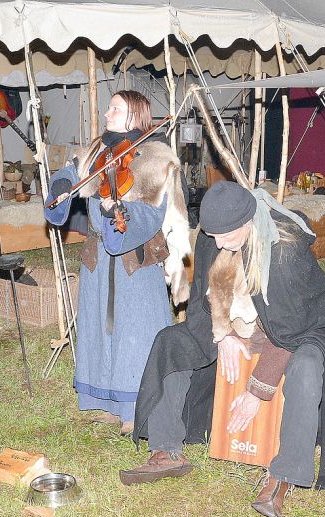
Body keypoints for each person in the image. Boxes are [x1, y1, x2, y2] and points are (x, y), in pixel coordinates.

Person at [123, 181, 325, 517]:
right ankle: (167, 450)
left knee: (306, 367)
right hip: (239, 325)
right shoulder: (216, 234)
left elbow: (291, 330)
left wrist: (258, 388)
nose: (217, 244)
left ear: (247, 221)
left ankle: (284, 475)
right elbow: (202, 299)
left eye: (225, 236)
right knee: (173, 340)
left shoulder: (284, 249)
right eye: (211, 235)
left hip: (299, 333)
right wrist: (222, 333)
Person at [44, 90, 187, 435]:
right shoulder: (95, 151)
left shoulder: (156, 158)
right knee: (100, 330)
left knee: (135, 334)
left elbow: (155, 213)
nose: (107, 113)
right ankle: (108, 402)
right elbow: (68, 170)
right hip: (97, 259)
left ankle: (135, 408)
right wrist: (61, 186)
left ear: (136, 116)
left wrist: (122, 213)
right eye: (109, 107)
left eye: (115, 108)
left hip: (135, 261)